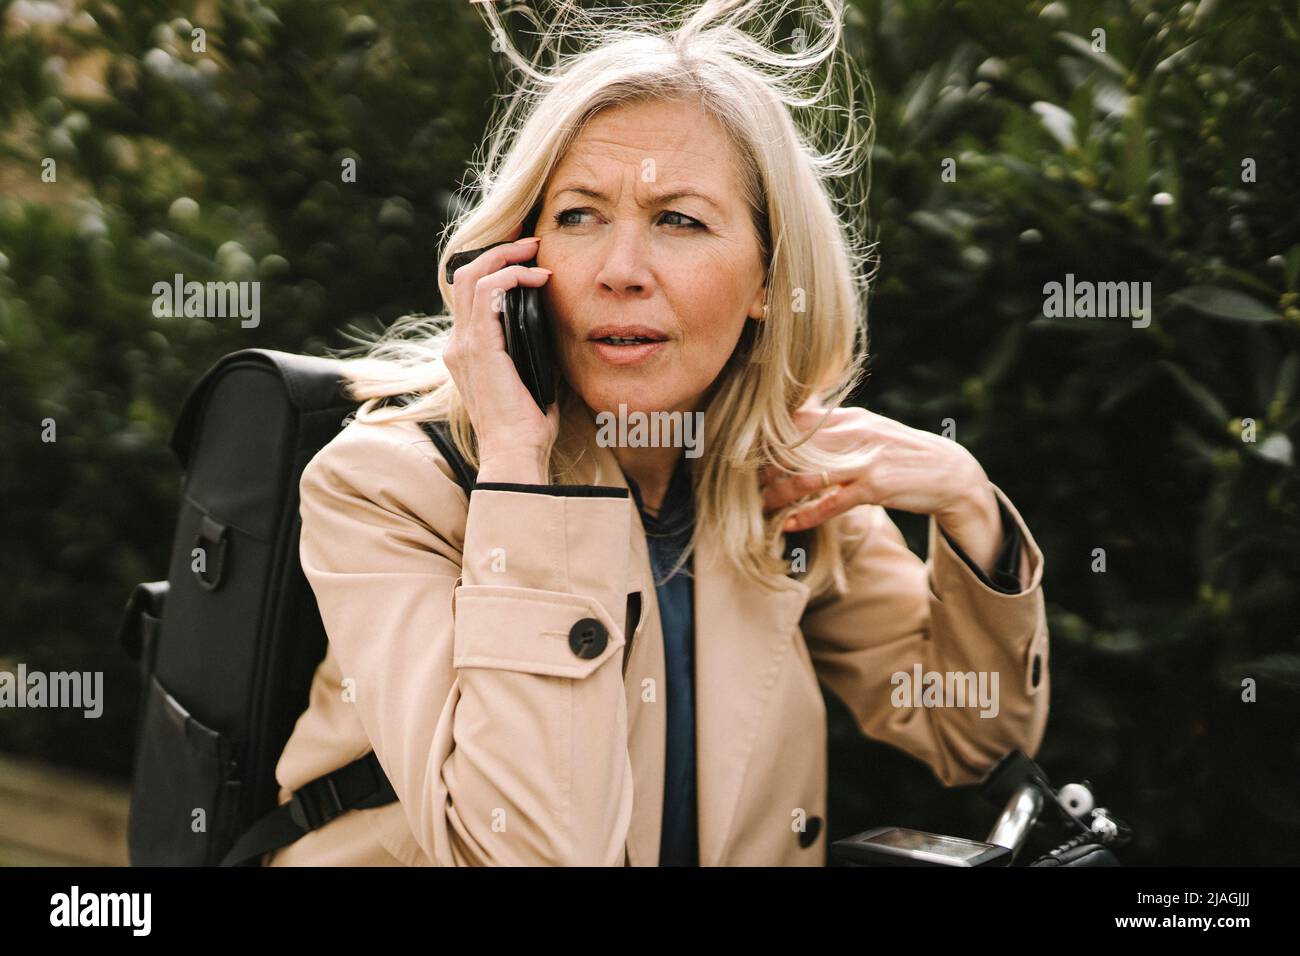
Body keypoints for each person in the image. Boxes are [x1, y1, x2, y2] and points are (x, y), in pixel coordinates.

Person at [264, 0, 1049, 867]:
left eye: (679, 220)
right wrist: (521, 477)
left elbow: (969, 739)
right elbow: (529, 854)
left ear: (769, 280)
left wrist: (973, 513)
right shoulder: (388, 485)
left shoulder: (776, 484)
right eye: (577, 216)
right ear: (516, 261)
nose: (620, 271)